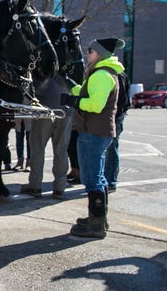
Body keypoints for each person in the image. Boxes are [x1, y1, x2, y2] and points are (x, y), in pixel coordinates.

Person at [61, 37, 125, 239]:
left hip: (93, 132)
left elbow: (95, 104)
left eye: (90, 50)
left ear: (99, 53)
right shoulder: (103, 73)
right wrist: (70, 85)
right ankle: (98, 218)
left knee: (91, 179)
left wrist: (73, 101)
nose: (87, 53)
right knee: (98, 176)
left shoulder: (101, 75)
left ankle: (95, 225)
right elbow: (87, 92)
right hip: (98, 131)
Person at [20, 71, 78, 200]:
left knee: (37, 148)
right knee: (61, 150)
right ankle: (59, 188)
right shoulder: (72, 58)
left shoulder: (43, 58)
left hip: (45, 108)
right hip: (66, 108)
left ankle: (35, 185)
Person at [104, 70, 130, 192]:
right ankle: (108, 180)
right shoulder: (120, 74)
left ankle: (111, 181)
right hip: (117, 116)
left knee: (111, 149)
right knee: (110, 149)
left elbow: (122, 100)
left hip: (114, 116)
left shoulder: (116, 75)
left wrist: (114, 117)